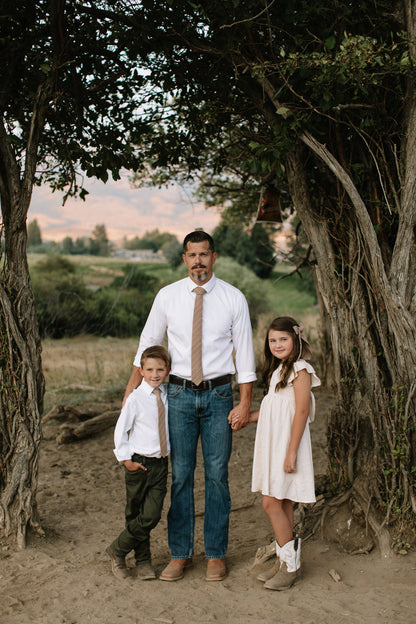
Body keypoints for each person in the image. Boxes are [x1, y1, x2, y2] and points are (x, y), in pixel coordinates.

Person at [122, 230, 256, 582]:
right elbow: (147, 345)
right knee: (180, 477)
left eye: (204, 254)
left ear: (214, 257)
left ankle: (215, 554)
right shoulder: (167, 297)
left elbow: (245, 355)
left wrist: (244, 402)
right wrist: (129, 395)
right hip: (178, 397)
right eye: (192, 255)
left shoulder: (233, 298)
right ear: (184, 258)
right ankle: (180, 554)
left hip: (218, 396)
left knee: (217, 477)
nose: (198, 261)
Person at [231, 316, 320, 591]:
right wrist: (245, 416)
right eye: (273, 340)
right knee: (282, 503)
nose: (278, 344)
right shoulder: (278, 371)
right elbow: (275, 409)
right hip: (273, 441)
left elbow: (301, 411)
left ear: (296, 340)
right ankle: (285, 562)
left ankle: (290, 566)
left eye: (283, 339)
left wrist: (291, 452)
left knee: (269, 502)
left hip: (287, 445)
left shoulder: (300, 370)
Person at [106, 345, 171, 581]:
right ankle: (143, 561)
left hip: (160, 464)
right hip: (138, 464)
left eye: (160, 369)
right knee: (135, 514)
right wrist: (125, 460)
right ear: (141, 371)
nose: (155, 374)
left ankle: (117, 549)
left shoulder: (167, 396)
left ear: (168, 370)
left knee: (151, 515)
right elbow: (120, 431)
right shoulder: (135, 399)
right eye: (150, 369)